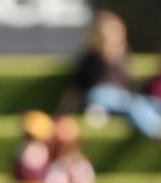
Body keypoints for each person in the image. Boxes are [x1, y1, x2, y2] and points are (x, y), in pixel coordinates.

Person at [59, 10, 161, 139]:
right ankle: (155, 132)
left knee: (145, 103)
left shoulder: (124, 57)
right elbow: (76, 89)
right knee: (120, 101)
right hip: (100, 97)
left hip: (121, 99)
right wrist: (63, 116)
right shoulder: (90, 58)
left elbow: (128, 86)